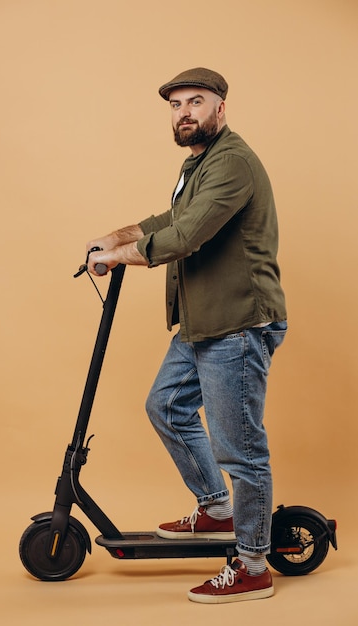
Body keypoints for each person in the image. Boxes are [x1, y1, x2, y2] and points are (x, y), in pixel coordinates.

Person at [84, 67, 287, 604]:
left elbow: (185, 236)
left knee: (240, 450)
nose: (185, 113)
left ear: (222, 107)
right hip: (204, 320)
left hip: (238, 323)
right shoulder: (198, 162)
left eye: (196, 102)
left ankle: (252, 565)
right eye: (176, 105)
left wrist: (119, 257)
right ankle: (217, 511)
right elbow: (168, 218)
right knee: (166, 406)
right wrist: (114, 236)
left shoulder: (233, 163)